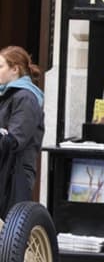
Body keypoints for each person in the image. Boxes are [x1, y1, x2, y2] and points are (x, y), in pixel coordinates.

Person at [0, 46, 45, 219]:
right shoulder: (8, 96)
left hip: (15, 174)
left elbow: (16, 140)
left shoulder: (25, 97)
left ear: (15, 69)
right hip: (6, 170)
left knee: (11, 233)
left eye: (0, 66)